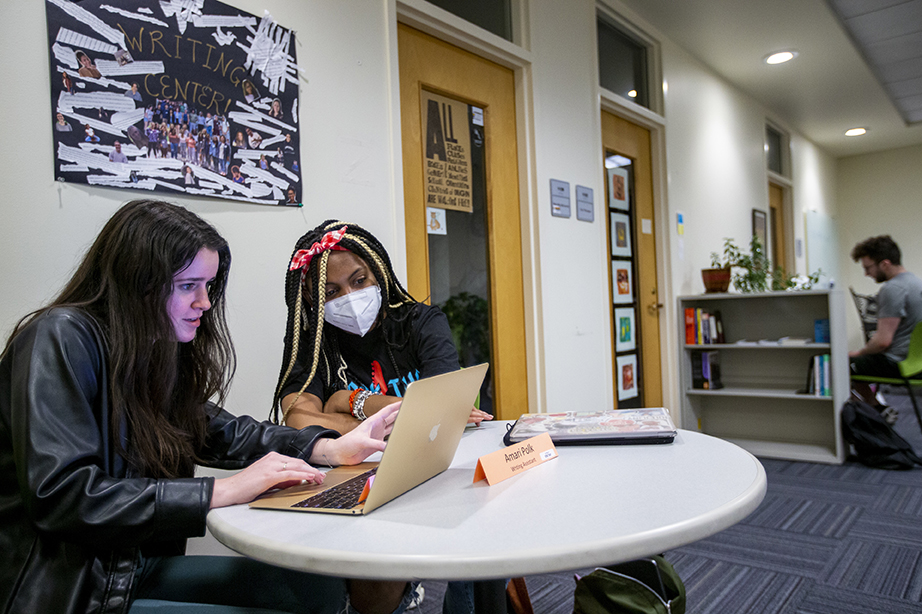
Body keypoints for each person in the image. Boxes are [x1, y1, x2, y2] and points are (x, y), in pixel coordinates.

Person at [0, 200, 410, 614]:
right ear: (136, 283)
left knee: (319, 590)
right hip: (71, 593)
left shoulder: (143, 349)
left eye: (207, 287)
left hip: (128, 569)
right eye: (186, 286)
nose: (205, 303)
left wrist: (329, 448)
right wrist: (222, 490)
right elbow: (63, 496)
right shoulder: (58, 337)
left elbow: (217, 429)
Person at [272, 220, 489, 613]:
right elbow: (298, 420)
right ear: (309, 297)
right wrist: (391, 410)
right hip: (353, 477)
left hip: (433, 468)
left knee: (483, 534)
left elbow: (442, 414)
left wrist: (343, 399)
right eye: (331, 291)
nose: (350, 298)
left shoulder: (421, 322)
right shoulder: (313, 340)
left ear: (379, 272)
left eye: (359, 280)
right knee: (372, 577)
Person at [849, 235, 922, 423]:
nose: (866, 274)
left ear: (885, 264)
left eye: (868, 268)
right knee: (857, 361)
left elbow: (882, 342)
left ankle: (875, 409)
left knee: (841, 362)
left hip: (899, 364)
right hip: (917, 363)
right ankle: (876, 409)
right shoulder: (917, 283)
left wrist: (859, 352)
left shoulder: (893, 289)